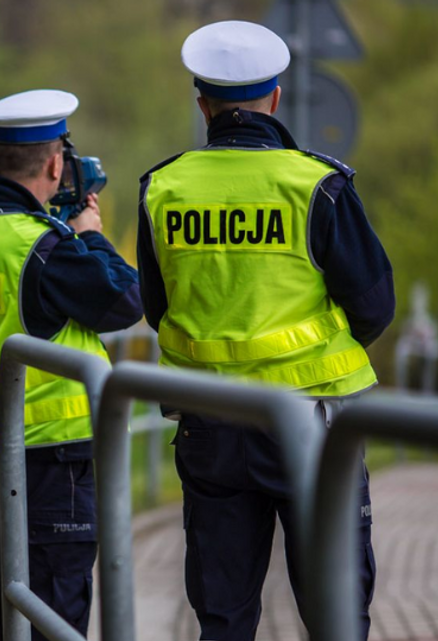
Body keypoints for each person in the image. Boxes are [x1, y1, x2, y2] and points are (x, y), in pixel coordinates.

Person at [136, 21, 395, 641]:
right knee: (334, 611)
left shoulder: (162, 187)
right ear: (276, 99)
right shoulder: (317, 184)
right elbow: (374, 305)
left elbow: (155, 305)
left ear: (203, 106)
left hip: (209, 426)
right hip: (310, 425)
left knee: (223, 617)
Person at [0, 89, 142, 640]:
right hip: (56, 455)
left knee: (12, 599)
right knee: (55, 612)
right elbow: (124, 300)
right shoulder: (45, 250)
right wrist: (91, 236)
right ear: (54, 164)